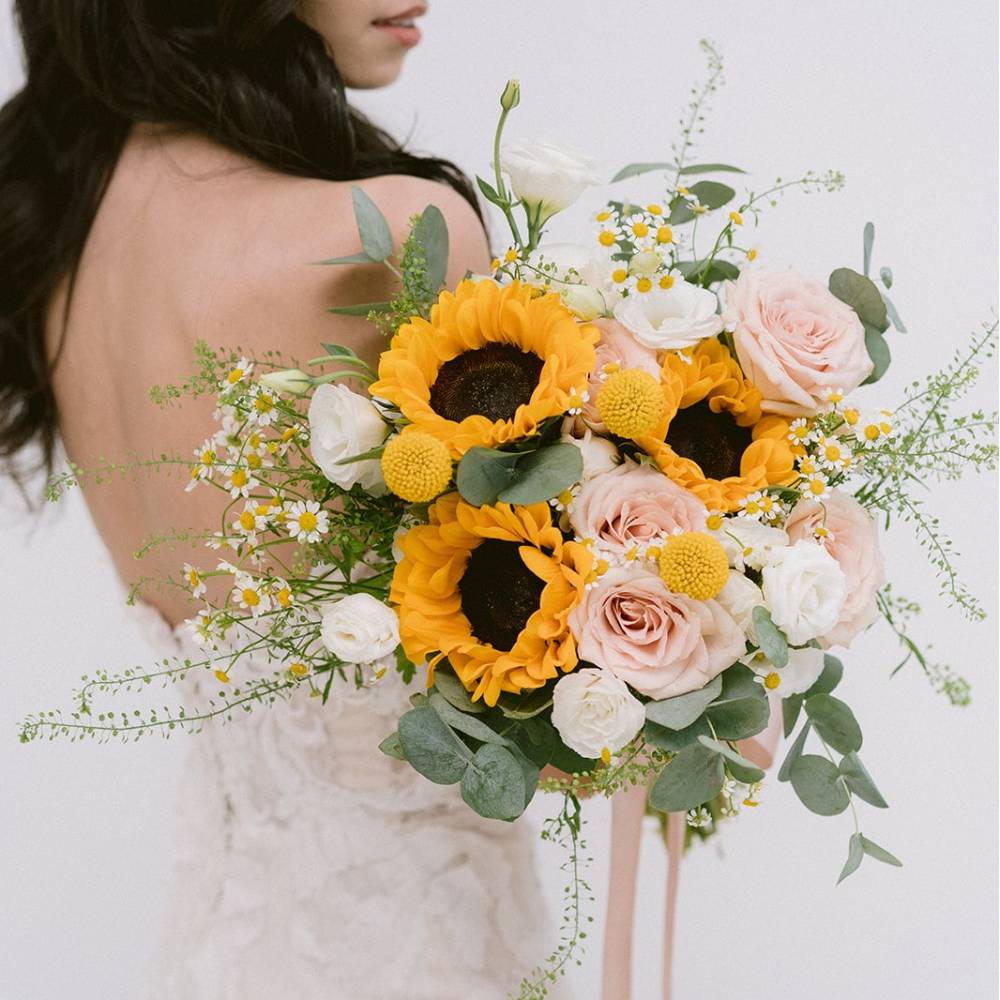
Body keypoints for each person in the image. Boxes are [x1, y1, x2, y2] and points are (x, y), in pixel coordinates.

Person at [0, 4, 554, 997]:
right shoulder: (386, 233)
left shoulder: (68, 244)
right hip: (416, 941)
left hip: (220, 941)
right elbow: (535, 665)